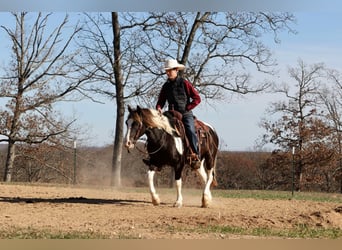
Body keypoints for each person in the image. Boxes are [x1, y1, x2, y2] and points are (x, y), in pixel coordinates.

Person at [156, 59, 201, 169]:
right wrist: (158, 108)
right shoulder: (165, 86)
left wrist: (187, 107)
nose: (167, 73)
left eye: (170, 70)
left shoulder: (185, 83)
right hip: (170, 114)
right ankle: (156, 156)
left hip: (185, 113)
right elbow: (161, 101)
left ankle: (195, 154)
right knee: (157, 128)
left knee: (190, 129)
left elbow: (197, 98)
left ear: (176, 70)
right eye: (166, 71)